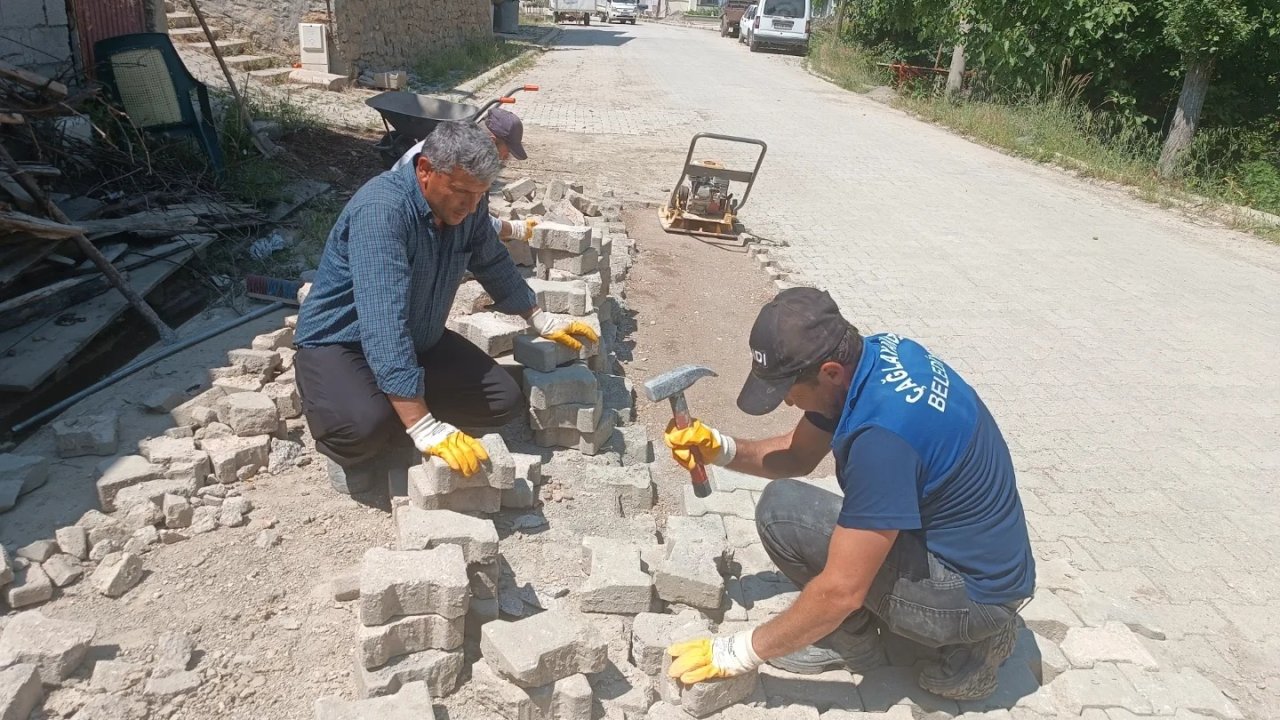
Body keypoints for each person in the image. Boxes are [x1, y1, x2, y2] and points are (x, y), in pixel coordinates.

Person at [663, 288, 1036, 701]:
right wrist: (720, 448)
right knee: (781, 506)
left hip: (974, 593)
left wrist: (737, 652)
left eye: (789, 388)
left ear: (829, 372)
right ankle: (887, 636)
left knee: (806, 548)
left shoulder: (883, 440)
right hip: (976, 556)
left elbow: (842, 590)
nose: (787, 401)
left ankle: (970, 647)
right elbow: (798, 456)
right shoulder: (873, 356)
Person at [293, 120, 597, 493]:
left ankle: (395, 404)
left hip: (418, 337)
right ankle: (350, 440)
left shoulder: (468, 204)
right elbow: (384, 321)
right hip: (341, 342)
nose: (470, 207)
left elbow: (491, 259)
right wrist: (423, 426)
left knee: (502, 401)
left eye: (479, 195)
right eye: (461, 192)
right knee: (363, 425)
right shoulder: (382, 211)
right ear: (424, 170)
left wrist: (539, 317)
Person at [392, 107, 534, 243]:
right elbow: (470, 221)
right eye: (507, 152)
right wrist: (515, 229)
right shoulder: (454, 160)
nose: (506, 158)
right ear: (491, 142)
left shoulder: (465, 151)